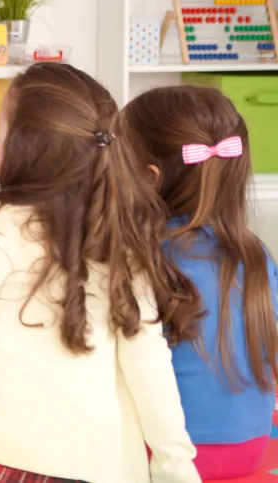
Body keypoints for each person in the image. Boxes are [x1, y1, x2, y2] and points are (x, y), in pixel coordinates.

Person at [0, 64, 204, 483]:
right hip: (97, 470)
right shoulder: (118, 236)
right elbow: (149, 365)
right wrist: (175, 467)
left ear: (24, 147)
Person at [123, 86, 278, 481]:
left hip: (170, 453)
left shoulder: (139, 255)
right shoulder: (257, 254)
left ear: (149, 177)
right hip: (253, 447)